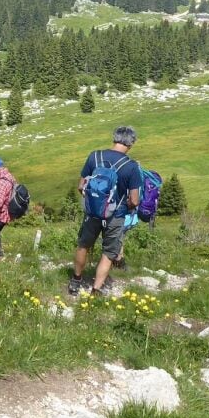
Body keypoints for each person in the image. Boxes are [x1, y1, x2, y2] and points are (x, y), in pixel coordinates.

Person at [70, 126, 143, 296]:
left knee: (83, 246)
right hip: (116, 216)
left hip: (92, 213)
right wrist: (126, 207)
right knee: (109, 253)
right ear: (131, 144)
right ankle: (95, 290)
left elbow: (81, 186)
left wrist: (94, 202)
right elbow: (134, 200)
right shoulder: (131, 167)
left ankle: (75, 281)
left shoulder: (95, 156)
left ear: (114, 138)